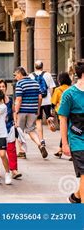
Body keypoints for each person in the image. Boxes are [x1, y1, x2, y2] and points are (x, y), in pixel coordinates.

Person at [59, 60, 84, 203]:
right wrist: (65, 144)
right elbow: (63, 119)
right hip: (78, 139)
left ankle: (76, 197)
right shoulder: (69, 94)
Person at [13, 66, 47, 159]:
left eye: (15, 75)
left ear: (20, 74)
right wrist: (38, 109)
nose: (15, 78)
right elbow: (40, 97)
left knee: (19, 130)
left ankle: (22, 151)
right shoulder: (35, 83)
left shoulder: (20, 83)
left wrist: (16, 111)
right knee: (31, 130)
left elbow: (19, 99)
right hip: (33, 110)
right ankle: (40, 144)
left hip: (22, 111)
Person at [0, 79, 21, 179]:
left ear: (6, 88)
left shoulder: (9, 99)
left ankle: (14, 170)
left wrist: (15, 122)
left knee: (11, 149)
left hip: (9, 127)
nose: (1, 88)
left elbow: (14, 111)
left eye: (3, 86)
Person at [30, 60, 56, 148]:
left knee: (38, 120)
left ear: (35, 66)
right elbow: (52, 88)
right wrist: (51, 99)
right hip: (47, 100)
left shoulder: (31, 76)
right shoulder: (48, 74)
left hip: (37, 101)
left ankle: (41, 140)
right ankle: (50, 123)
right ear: (42, 66)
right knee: (49, 116)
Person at [52, 72, 72, 158]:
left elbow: (53, 102)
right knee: (69, 131)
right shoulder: (72, 89)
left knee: (65, 131)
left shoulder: (58, 90)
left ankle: (64, 150)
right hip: (71, 113)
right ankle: (60, 149)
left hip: (61, 113)